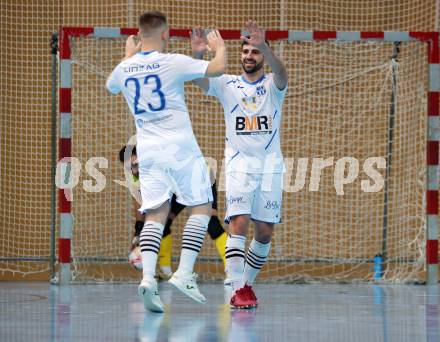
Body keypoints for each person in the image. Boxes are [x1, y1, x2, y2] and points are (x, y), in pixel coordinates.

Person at [106, 11, 226, 313]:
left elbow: (111, 86)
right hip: (180, 148)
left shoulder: (125, 68)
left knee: (155, 215)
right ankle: (184, 273)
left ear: (139, 34)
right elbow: (216, 69)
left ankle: (148, 278)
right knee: (202, 206)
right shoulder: (171, 61)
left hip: (147, 151)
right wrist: (220, 49)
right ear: (164, 35)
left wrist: (127, 57)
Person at [191, 21, 288, 309]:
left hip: (270, 168)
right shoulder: (227, 84)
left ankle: (245, 285)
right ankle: (237, 289)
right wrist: (197, 57)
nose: (249, 55)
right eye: (245, 50)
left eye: (255, 51)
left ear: (263, 55)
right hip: (238, 165)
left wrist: (265, 46)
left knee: (265, 232)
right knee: (239, 223)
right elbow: (199, 80)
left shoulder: (273, 85)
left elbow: (282, 72)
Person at [119, 145, 227, 280]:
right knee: (162, 223)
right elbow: (140, 202)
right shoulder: (136, 174)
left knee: (211, 223)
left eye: (136, 165)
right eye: (130, 168)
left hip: (199, 177)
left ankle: (232, 271)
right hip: (177, 186)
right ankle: (167, 273)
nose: (135, 171)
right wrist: (138, 229)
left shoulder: (157, 164)